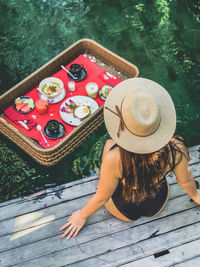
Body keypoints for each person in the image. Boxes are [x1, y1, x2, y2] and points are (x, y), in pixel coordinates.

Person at [58, 77, 200, 239]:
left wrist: (82, 215)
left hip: (124, 210)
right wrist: (195, 194)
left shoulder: (115, 158)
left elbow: (102, 197)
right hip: (157, 204)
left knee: (109, 144)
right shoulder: (176, 147)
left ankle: (111, 176)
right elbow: (186, 180)